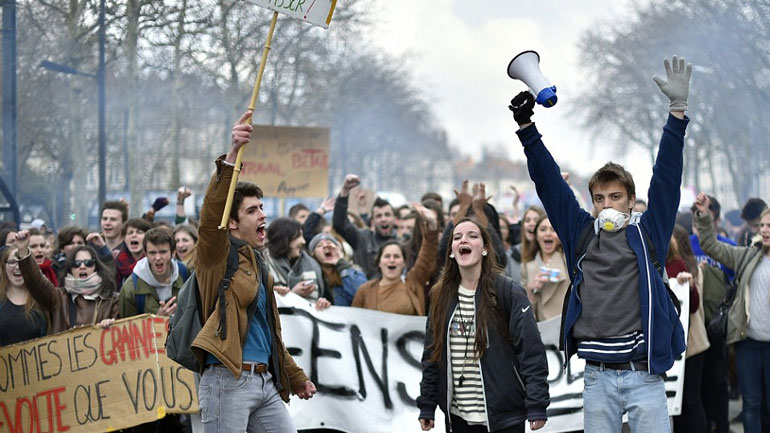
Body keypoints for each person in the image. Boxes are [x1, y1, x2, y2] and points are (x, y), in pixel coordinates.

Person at [510, 55, 690, 432]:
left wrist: (676, 114)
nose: (607, 205)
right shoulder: (581, 235)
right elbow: (550, 186)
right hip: (597, 379)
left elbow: (667, 179)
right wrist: (527, 128)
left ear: (630, 200)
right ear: (592, 203)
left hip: (645, 376)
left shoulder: (648, 234)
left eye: (615, 197)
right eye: (600, 198)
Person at [190, 110, 315, 433]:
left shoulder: (258, 264)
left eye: (262, 206)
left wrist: (296, 377)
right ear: (232, 222)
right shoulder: (215, 257)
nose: (263, 214)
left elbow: (269, 333)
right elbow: (210, 218)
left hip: (264, 382)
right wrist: (232, 155)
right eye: (252, 209)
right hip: (226, 381)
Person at [417, 217, 549, 432]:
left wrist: (537, 403)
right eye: (457, 237)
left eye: (472, 236)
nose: (464, 240)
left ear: (485, 248)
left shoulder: (508, 291)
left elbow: (530, 350)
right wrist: (427, 404)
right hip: (458, 419)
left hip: (504, 418)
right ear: (451, 251)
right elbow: (432, 354)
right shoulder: (440, 295)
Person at [694, 192, 770, 433]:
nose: (765, 230)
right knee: (751, 405)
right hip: (747, 344)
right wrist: (705, 217)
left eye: (769, 225)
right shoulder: (747, 255)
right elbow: (711, 245)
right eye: (762, 226)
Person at [689, 194, 735, 433]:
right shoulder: (686, 245)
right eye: (696, 221)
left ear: (715, 220)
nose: (699, 227)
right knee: (700, 383)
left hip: (718, 326)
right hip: (695, 327)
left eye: (705, 220)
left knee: (719, 380)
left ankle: (723, 425)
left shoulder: (727, 249)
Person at [352, 202, 438, 315]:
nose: (392, 260)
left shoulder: (413, 282)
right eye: (387, 256)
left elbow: (427, 255)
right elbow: (353, 320)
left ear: (403, 263)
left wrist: (432, 225)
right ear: (379, 263)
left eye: (396, 256)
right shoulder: (365, 291)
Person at [666, 224, 709, 433]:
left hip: (691, 345)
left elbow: (694, 306)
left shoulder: (686, 267)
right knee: (676, 403)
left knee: (690, 399)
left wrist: (687, 285)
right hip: (674, 348)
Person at [0, 232, 67, 346]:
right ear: (4, 267)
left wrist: (23, 251)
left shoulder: (42, 296)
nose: (18, 267)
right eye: (12, 262)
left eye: (20, 262)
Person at [333, 174, 397, 278]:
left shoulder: (402, 242)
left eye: (387, 215)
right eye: (379, 216)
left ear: (394, 219)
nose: (383, 219)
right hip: (366, 291)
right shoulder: (361, 238)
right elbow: (340, 223)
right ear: (373, 220)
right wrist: (345, 191)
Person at [118, 228, 188, 318]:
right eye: (152, 253)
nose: (158, 258)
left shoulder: (184, 273)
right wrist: (157, 320)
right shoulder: (131, 288)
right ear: (145, 254)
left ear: (173, 252)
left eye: (163, 252)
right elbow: (127, 327)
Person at [264, 217, 330, 310]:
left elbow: (323, 299)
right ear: (285, 239)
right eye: (299, 236)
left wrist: (322, 303)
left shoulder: (311, 264)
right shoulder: (262, 265)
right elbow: (262, 304)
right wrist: (293, 294)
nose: (303, 241)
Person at [520, 216, 568, 321]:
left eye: (553, 230)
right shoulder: (527, 267)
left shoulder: (568, 261)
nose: (548, 233)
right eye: (543, 229)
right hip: (542, 329)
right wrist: (530, 290)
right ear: (536, 236)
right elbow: (524, 310)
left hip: (565, 326)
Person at [307, 232, 367, 306]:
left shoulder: (353, 272)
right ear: (314, 255)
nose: (326, 246)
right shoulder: (311, 276)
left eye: (329, 243)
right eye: (319, 245)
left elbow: (363, 296)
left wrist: (341, 264)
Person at [114, 218, 152, 285]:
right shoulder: (117, 263)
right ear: (124, 238)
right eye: (130, 233)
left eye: (139, 232)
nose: (134, 235)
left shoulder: (154, 261)